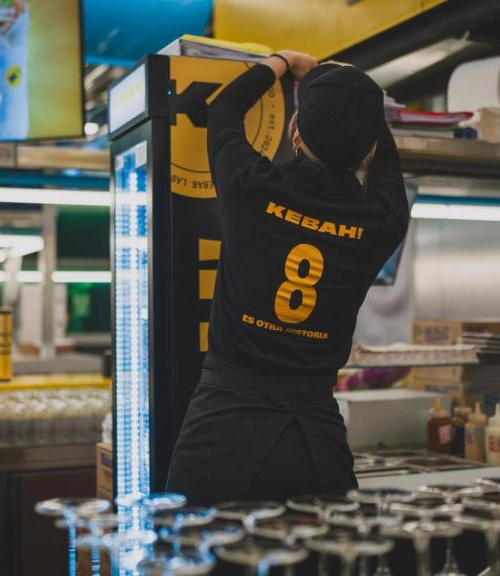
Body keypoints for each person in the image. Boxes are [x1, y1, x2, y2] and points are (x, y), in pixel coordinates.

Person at [166, 51, 410, 505]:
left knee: (191, 556)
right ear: (368, 147)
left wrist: (282, 61)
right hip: (314, 439)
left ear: (295, 133)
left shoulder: (251, 187)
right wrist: (354, 96)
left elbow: (221, 109)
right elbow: (386, 165)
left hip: (222, 426)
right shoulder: (382, 221)